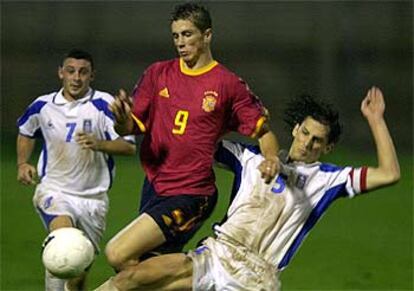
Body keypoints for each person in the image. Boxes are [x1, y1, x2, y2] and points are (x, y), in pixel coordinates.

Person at [94, 86, 400, 291]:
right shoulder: (249, 157)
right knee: (128, 279)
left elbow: (389, 173)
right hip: (214, 256)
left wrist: (375, 120)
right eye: (305, 132)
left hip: (255, 279)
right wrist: (136, 120)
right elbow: (192, 141)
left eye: (317, 140)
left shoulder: (328, 180)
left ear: (328, 147)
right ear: (295, 129)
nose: (307, 143)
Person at [105, 2, 280, 272]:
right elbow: (130, 127)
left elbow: (263, 131)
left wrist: (270, 158)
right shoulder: (158, 74)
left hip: (191, 193)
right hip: (154, 185)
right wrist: (120, 120)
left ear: (207, 35)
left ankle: (206, 267)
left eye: (187, 34)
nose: (180, 43)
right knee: (141, 268)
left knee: (119, 254)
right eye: (176, 36)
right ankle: (208, 280)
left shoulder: (227, 84)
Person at [16, 49, 136, 291]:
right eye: (71, 71)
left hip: (93, 200)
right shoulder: (43, 105)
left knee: (78, 270)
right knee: (64, 243)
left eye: (83, 72)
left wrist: (99, 143)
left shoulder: (104, 105)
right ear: (61, 73)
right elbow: (26, 131)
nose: (76, 77)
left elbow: (128, 147)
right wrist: (22, 163)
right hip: (55, 191)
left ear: (92, 76)